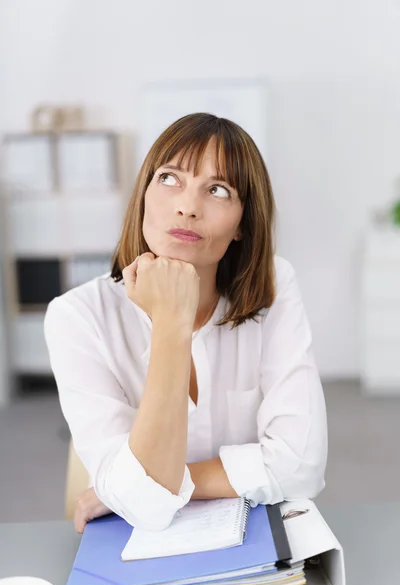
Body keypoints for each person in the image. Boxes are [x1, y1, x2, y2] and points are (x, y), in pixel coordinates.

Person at [44, 112, 327, 534]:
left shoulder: (274, 285)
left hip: (250, 537)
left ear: (242, 227)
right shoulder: (78, 317)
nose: (187, 207)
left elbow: (301, 467)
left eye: (217, 189)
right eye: (170, 179)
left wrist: (160, 482)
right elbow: (143, 507)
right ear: (143, 195)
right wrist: (171, 322)